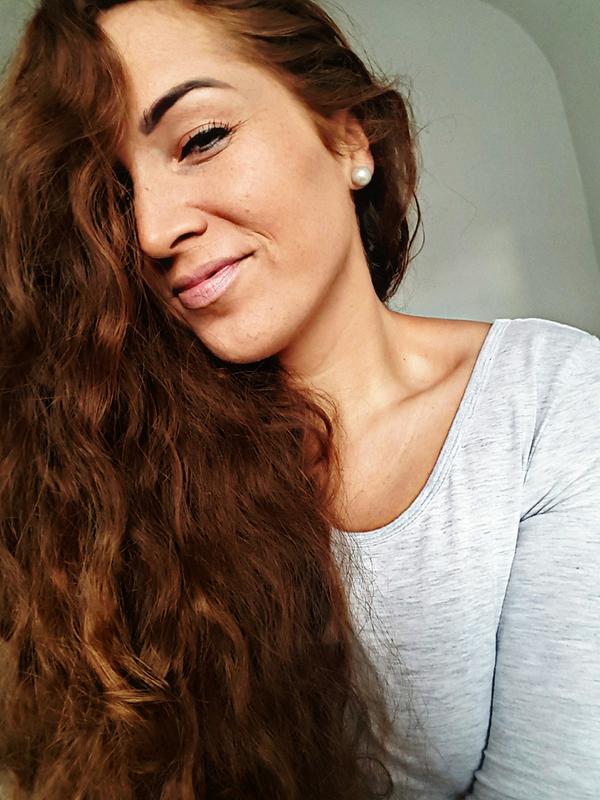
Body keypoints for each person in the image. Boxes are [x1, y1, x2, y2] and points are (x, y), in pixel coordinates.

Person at [0, 1, 598, 798]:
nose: (151, 231)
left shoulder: (546, 401)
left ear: (349, 138)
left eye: (201, 139)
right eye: (113, 191)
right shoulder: (113, 460)